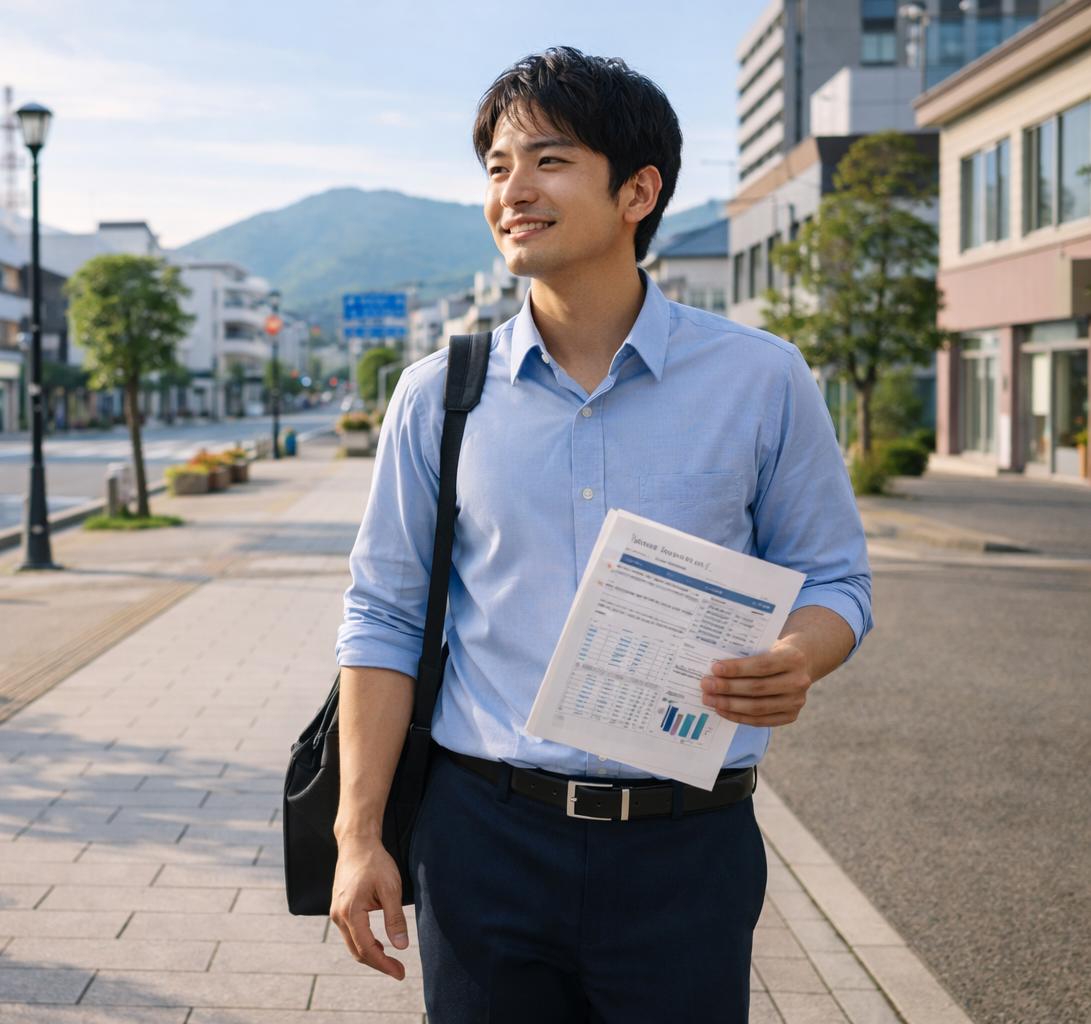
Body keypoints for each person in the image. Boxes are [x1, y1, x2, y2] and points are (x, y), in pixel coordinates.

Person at [331, 47, 871, 1022]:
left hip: (686, 844)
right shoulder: (439, 395)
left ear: (639, 190)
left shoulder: (760, 379)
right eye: (496, 167)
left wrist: (798, 655)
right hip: (483, 837)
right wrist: (358, 834)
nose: (512, 190)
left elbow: (835, 579)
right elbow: (381, 615)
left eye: (547, 160)